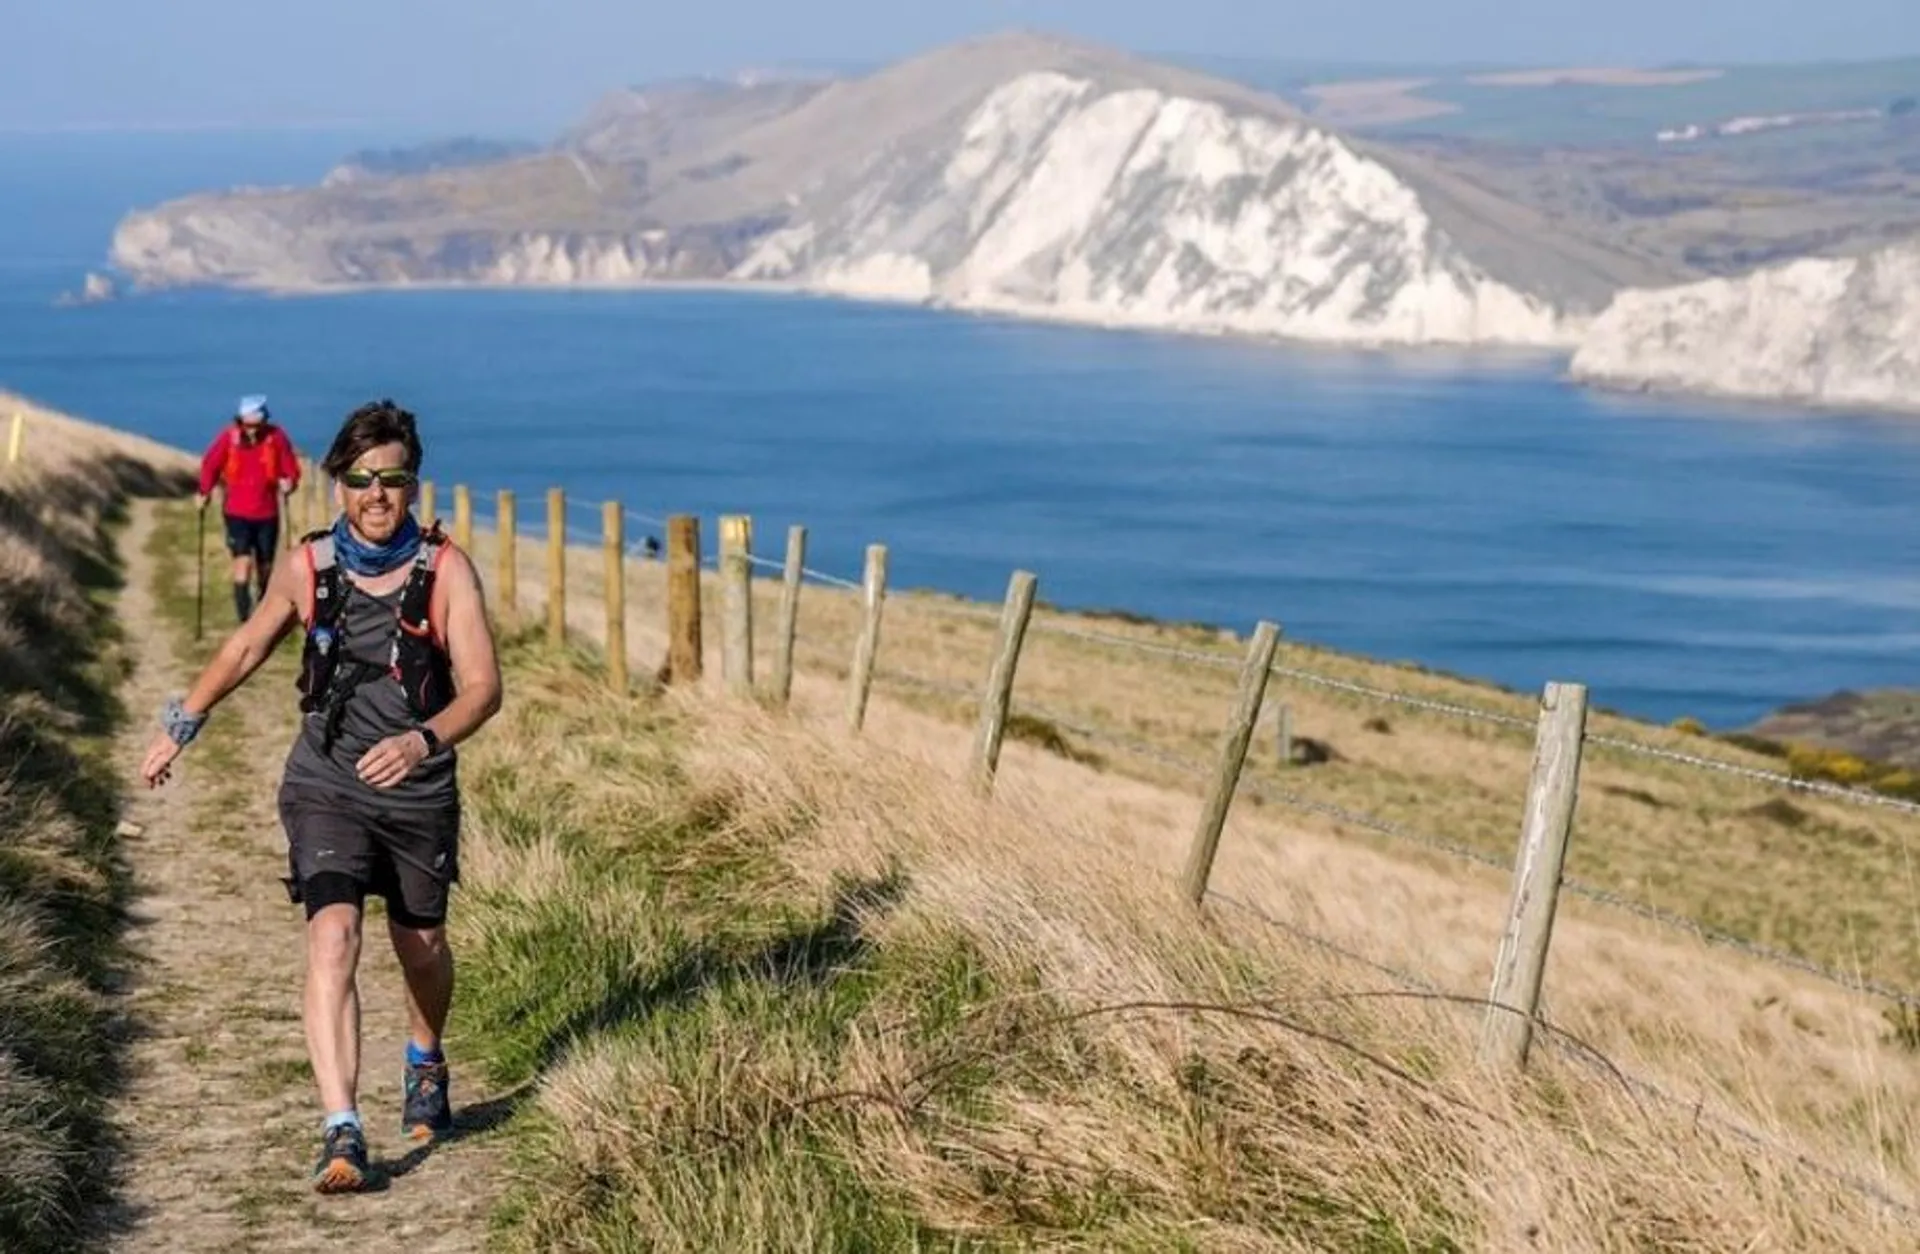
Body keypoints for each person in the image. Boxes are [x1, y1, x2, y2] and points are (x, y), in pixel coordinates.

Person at [142, 398, 504, 1194]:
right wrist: (183, 723)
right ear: (336, 482)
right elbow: (247, 646)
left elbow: (483, 689)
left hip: (418, 790)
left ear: (414, 485)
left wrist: (421, 741)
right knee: (333, 937)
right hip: (325, 782)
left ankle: (424, 1056)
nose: (377, 495)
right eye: (362, 479)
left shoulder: (447, 572)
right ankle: (342, 1127)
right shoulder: (309, 565)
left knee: (421, 948)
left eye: (393, 480)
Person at [197, 393, 302, 624]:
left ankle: (264, 615)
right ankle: (245, 620)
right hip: (236, 513)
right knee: (242, 564)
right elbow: (210, 464)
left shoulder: (276, 437)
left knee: (265, 568)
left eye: (256, 425)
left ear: (264, 421)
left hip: (268, 513)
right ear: (241, 422)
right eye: (248, 425)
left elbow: (290, 468)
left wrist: (290, 482)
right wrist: (204, 491)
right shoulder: (229, 437)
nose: (252, 430)